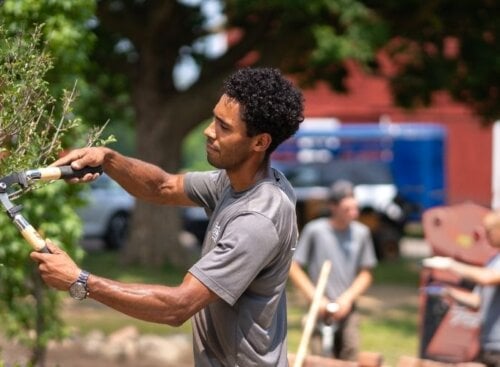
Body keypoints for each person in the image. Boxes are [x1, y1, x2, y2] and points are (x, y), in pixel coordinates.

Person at [30, 67, 304, 367]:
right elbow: (163, 186)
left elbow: (178, 305)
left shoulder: (257, 220)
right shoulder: (233, 181)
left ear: (260, 142)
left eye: (224, 127)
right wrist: (108, 159)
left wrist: (79, 281)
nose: (209, 131)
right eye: (214, 119)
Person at [288, 179, 377, 360]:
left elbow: (366, 274)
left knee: (350, 354)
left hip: (347, 307)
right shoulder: (315, 231)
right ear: (333, 207)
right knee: (319, 358)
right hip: (319, 306)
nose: (354, 213)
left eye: (355, 208)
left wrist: (348, 299)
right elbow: (294, 268)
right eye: (347, 209)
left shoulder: (361, 233)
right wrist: (316, 298)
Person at [423, 210, 500, 367]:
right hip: (488, 342)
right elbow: (477, 301)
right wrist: (447, 291)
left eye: (489, 231)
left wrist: (451, 264)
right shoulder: (493, 260)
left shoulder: (492, 268)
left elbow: (487, 278)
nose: (485, 236)